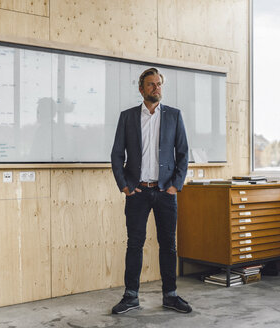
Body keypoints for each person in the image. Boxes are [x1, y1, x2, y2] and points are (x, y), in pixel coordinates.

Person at [110, 67, 191, 314]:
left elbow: (184, 153)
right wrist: (124, 185)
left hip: (165, 191)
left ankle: (171, 295)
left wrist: (175, 185)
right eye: (151, 85)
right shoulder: (127, 117)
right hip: (138, 192)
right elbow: (116, 154)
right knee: (134, 245)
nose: (157, 88)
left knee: (168, 245)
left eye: (159, 84)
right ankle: (131, 297)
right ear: (141, 88)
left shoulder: (174, 116)